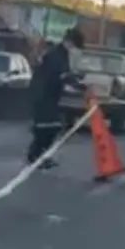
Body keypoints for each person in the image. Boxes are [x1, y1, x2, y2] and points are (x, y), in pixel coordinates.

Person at [26, 27, 87, 169]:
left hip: (50, 96)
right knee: (46, 128)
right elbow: (60, 75)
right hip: (43, 96)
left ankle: (40, 156)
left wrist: (77, 83)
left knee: (52, 127)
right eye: (76, 46)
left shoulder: (62, 55)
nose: (76, 50)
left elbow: (64, 75)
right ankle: (35, 155)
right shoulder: (55, 55)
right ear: (69, 42)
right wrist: (76, 82)